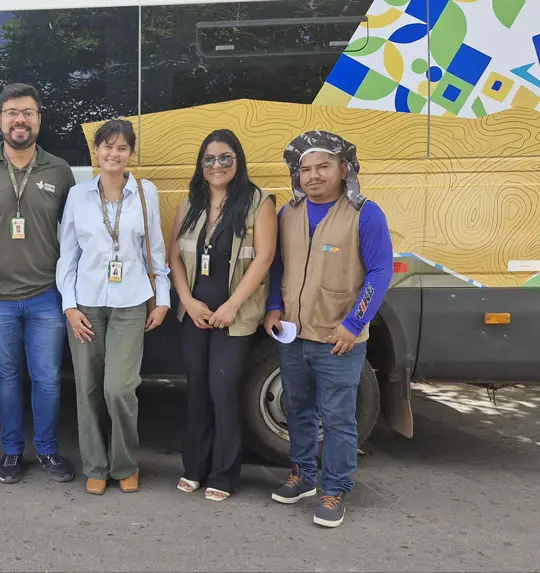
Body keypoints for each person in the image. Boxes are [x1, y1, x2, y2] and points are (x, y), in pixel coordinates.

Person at [264, 130, 393, 528]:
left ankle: (334, 490)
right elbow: (277, 266)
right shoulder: (289, 213)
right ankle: (302, 476)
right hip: (293, 333)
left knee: (337, 418)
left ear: (344, 169)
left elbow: (380, 271)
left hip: (340, 338)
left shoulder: (365, 213)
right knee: (297, 408)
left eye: (323, 167)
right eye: (305, 169)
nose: (313, 175)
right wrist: (272, 308)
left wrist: (354, 324)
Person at [0, 83, 77, 484]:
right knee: (9, 379)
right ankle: (12, 452)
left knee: (47, 378)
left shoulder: (59, 170)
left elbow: (75, 233)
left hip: (47, 294)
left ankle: (47, 451)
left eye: (28, 112)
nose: (20, 120)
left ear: (39, 119)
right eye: (12, 112)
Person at [57, 119, 171, 495]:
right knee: (87, 388)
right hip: (86, 304)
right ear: (97, 151)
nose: (113, 153)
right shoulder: (78, 195)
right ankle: (95, 464)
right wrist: (70, 306)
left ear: (130, 154)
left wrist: (163, 299)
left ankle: (125, 464)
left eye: (122, 148)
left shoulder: (145, 192)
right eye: (107, 146)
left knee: (120, 389)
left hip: (131, 303)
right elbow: (67, 256)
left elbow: (155, 250)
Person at [168, 129, 277, 501]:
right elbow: (174, 259)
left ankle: (225, 473)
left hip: (236, 316)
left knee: (223, 389)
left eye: (225, 158)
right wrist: (188, 301)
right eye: (210, 159)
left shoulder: (258, 202)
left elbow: (263, 258)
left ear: (238, 161)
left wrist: (232, 306)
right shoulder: (189, 202)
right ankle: (194, 467)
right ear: (201, 165)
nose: (217, 166)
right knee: (197, 389)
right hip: (195, 314)